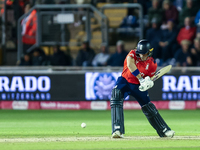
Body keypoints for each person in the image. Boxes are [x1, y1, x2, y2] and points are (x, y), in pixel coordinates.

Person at [110, 39, 175, 138]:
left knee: (148, 107)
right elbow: (130, 65)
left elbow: (149, 78)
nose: (142, 56)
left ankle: (164, 130)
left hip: (138, 86)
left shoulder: (152, 64)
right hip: (125, 81)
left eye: (144, 54)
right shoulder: (132, 54)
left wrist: (148, 83)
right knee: (116, 96)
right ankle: (117, 129)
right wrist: (141, 78)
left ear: (149, 52)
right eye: (140, 53)